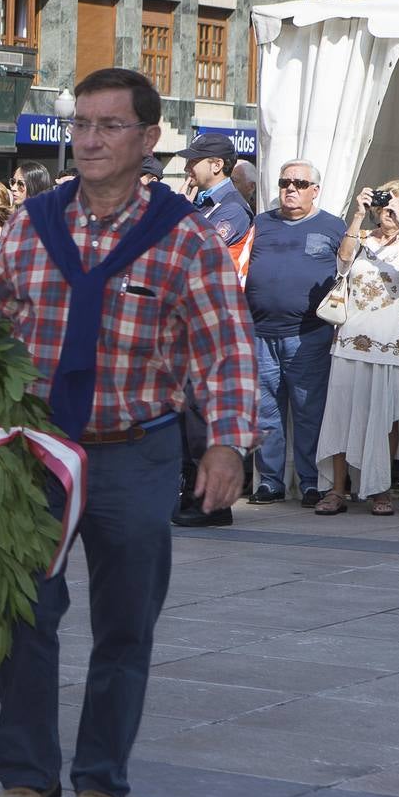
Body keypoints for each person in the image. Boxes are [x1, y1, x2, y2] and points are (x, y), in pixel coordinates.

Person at [0, 68, 255, 797]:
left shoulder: (185, 237)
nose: (91, 140)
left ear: (148, 138)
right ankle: (28, 776)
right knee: (22, 614)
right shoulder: (32, 224)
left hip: (135, 454)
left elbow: (226, 348)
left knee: (125, 626)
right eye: (82, 124)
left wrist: (227, 443)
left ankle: (100, 779)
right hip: (36, 453)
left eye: (109, 126)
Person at [313, 180, 399, 516]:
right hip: (350, 340)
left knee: (386, 418)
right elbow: (342, 263)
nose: (389, 209)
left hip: (392, 345)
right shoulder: (361, 237)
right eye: (387, 201)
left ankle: (380, 490)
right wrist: (357, 215)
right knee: (340, 415)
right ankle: (337, 490)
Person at [243, 159, 344, 508]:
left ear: (315, 190)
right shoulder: (260, 223)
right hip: (260, 334)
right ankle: (270, 483)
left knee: (308, 412)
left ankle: (312, 482)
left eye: (300, 184)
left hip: (309, 336)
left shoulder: (333, 226)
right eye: (285, 182)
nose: (290, 188)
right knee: (265, 412)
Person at [170, 133, 254, 527]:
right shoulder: (202, 206)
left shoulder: (231, 209)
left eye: (195, 161)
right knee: (189, 415)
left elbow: (194, 253)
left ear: (217, 165)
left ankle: (213, 503)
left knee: (202, 416)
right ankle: (194, 493)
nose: (189, 167)